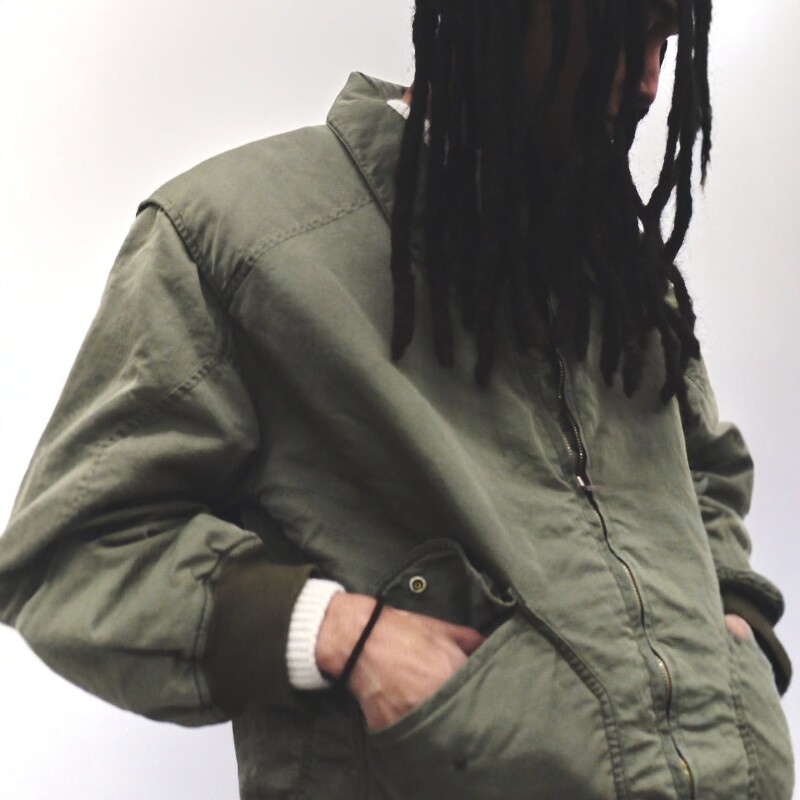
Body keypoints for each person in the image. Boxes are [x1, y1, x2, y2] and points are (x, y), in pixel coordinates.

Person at [0, 0, 794, 797]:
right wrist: (341, 634)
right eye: (624, 33)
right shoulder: (236, 238)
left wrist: (738, 633)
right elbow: (75, 550)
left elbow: (705, 473)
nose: (651, 80)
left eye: (666, 39)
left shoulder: (620, 270)